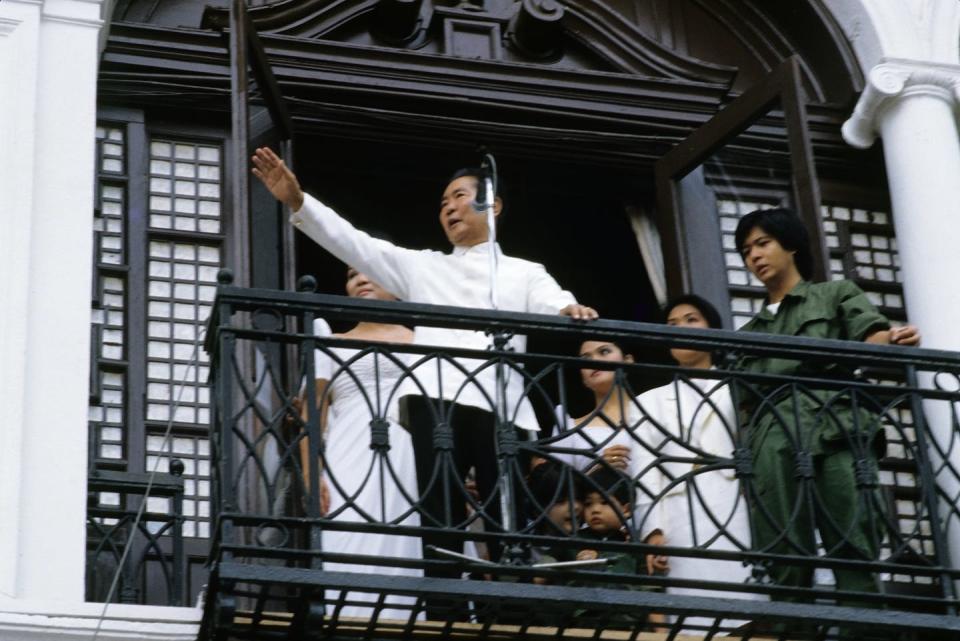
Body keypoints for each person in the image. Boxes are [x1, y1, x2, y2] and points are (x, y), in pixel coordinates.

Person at [251, 147, 598, 614]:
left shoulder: (524, 272)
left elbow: (551, 299)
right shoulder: (426, 266)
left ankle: (510, 616)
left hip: (503, 406)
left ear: (492, 205)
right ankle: (445, 613)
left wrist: (569, 309)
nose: (449, 207)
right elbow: (356, 244)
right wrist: (299, 203)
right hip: (438, 403)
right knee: (441, 522)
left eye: (458, 197)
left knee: (505, 523)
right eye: (442, 203)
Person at [733, 207, 920, 607]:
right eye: (747, 251)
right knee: (782, 548)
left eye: (763, 243)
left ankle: (866, 631)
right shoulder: (749, 333)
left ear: (792, 246)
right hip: (773, 439)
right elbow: (743, 403)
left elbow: (872, 337)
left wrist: (892, 340)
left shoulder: (834, 294)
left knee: (853, 536)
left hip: (835, 421)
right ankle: (791, 631)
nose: (754, 256)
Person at [634, 294, 761, 630]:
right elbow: (645, 472)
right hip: (679, 517)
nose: (682, 329)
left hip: (733, 509)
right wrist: (653, 531)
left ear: (711, 329)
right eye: (672, 325)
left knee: (742, 611)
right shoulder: (648, 402)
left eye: (692, 320)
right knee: (692, 619)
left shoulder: (738, 389)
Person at [308, 267, 422, 620]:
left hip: (410, 458)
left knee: (411, 552)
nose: (360, 278)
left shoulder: (427, 338)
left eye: (371, 270)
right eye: (352, 273)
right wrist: (314, 476)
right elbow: (313, 416)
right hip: (348, 457)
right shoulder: (332, 340)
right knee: (345, 547)